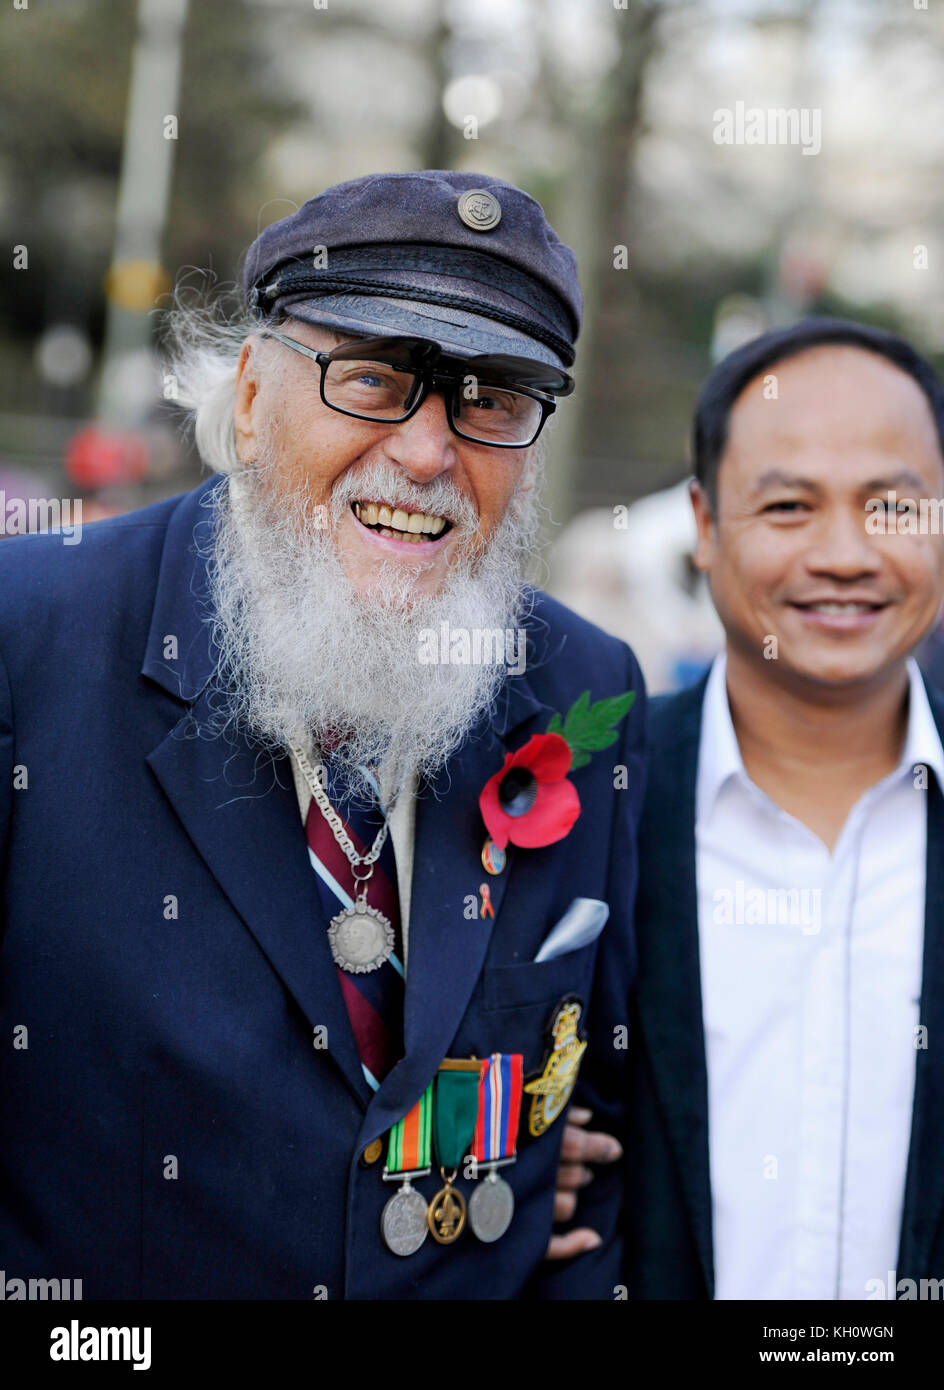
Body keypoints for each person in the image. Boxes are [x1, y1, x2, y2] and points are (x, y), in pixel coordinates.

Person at [0, 170, 646, 1300]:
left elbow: (585, 1100)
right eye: (375, 380)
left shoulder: (584, 686)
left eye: (492, 400)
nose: (428, 454)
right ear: (250, 396)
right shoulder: (28, 639)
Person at [551, 318, 944, 1299]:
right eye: (787, 505)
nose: (844, 554)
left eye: (891, 506)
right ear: (704, 522)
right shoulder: (580, 805)